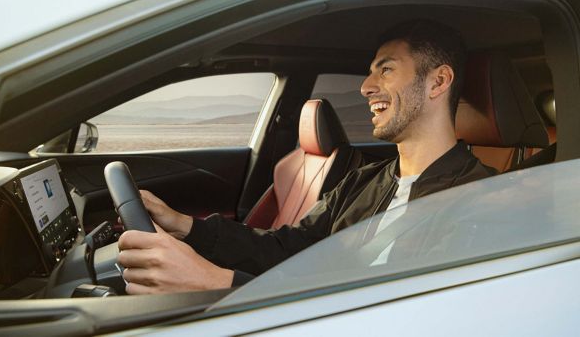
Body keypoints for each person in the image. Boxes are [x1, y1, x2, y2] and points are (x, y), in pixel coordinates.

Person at [117, 20, 497, 294]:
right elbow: (287, 248)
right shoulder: (363, 181)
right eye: (370, 73)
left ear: (438, 82)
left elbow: (397, 314)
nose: (366, 87)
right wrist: (186, 226)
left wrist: (217, 282)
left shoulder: (479, 201)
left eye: (386, 70)